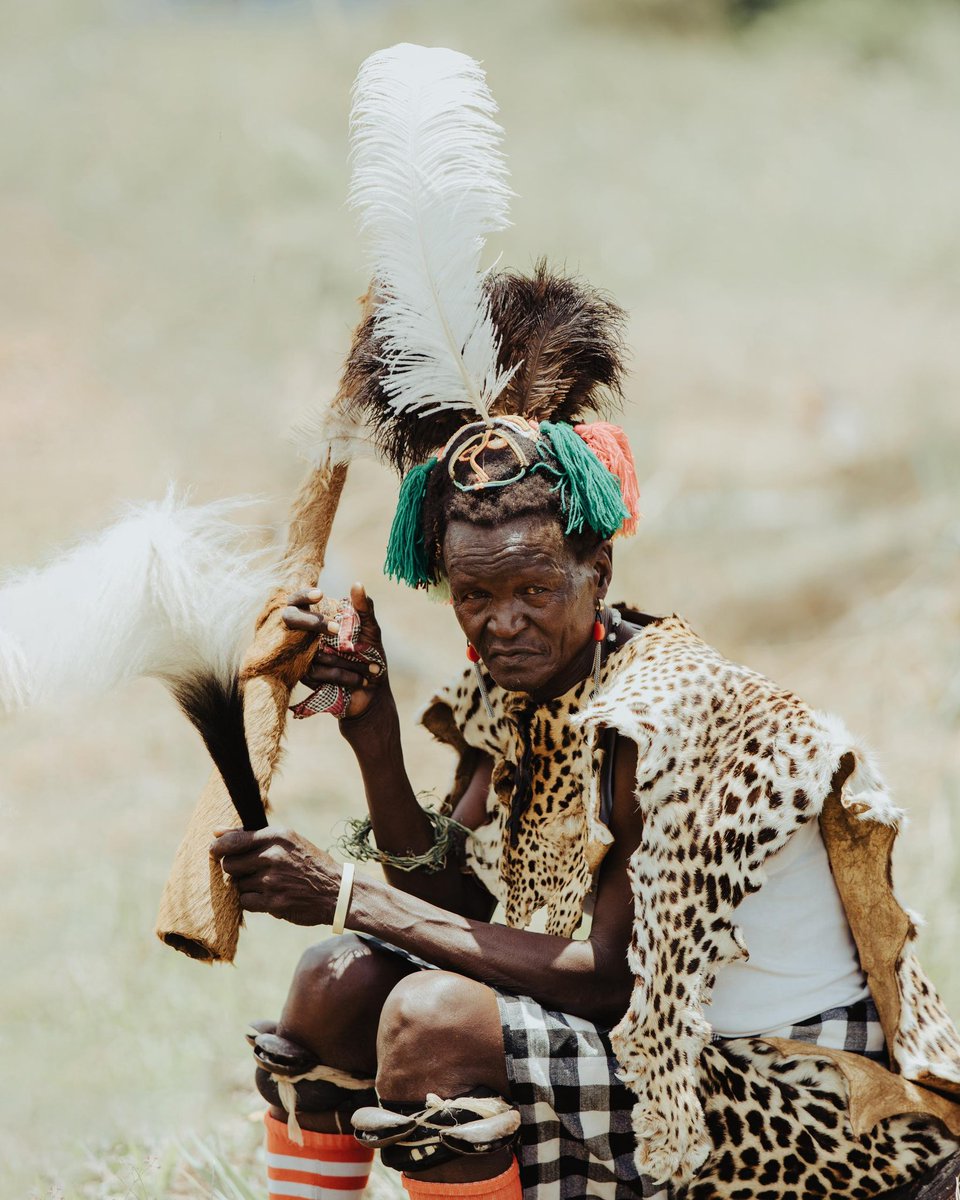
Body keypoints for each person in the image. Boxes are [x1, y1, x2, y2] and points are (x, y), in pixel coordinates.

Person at [210, 287, 960, 1198]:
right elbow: (458, 903)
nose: (503, 623)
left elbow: (610, 984)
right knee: (335, 982)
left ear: (596, 569)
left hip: (789, 1102)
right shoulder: (517, 691)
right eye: (474, 598)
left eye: (534, 587)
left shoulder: (667, 714)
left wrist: (346, 895)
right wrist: (374, 738)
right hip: (650, 1057)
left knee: (431, 1022)